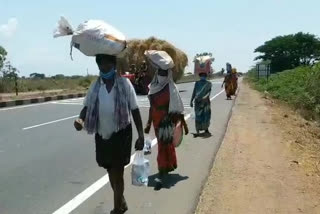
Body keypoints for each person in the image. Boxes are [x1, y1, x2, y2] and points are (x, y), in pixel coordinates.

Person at [74, 54, 144, 214]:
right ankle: (122, 201)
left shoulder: (124, 84)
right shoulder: (95, 86)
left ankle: (117, 209)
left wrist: (141, 135)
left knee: (117, 172)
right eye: (101, 65)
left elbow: (134, 109)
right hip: (102, 134)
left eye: (107, 65)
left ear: (113, 65)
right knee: (110, 170)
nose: (104, 68)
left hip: (121, 134)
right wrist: (80, 119)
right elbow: (86, 106)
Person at [144, 50, 188, 190]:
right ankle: (168, 165)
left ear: (167, 74)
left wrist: (183, 124)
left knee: (163, 145)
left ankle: (161, 171)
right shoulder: (153, 87)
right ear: (158, 74)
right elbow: (151, 107)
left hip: (167, 121)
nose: (162, 76)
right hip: (157, 121)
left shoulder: (171, 87)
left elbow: (178, 107)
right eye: (160, 73)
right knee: (165, 145)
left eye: (165, 73)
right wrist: (148, 123)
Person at [190, 72, 212, 136]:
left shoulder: (208, 84)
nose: (203, 77)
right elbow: (194, 92)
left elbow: (208, 93)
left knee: (206, 116)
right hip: (198, 103)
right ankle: (197, 130)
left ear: (206, 77)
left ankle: (206, 129)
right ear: (200, 76)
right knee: (198, 116)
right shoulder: (197, 83)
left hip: (206, 103)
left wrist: (204, 98)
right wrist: (191, 101)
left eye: (204, 76)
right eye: (202, 76)